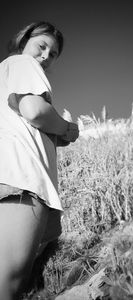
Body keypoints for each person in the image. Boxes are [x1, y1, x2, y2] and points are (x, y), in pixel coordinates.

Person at [0, 21, 79, 299]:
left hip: (7, 175)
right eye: (41, 46)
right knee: (7, 284)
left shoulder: (5, 72)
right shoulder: (22, 63)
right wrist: (68, 129)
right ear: (24, 42)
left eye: (53, 53)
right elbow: (33, 110)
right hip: (20, 178)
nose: (46, 56)